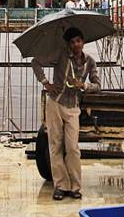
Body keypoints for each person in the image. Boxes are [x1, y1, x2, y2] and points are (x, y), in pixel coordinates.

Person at [31, 27, 101, 200]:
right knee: (55, 146)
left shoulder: (90, 62)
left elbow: (97, 85)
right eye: (72, 42)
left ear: (83, 41)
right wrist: (46, 83)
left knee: (72, 148)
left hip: (73, 108)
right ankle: (61, 186)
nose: (76, 44)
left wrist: (83, 86)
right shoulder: (60, 55)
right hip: (55, 104)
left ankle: (76, 187)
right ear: (68, 44)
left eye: (78, 40)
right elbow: (35, 62)